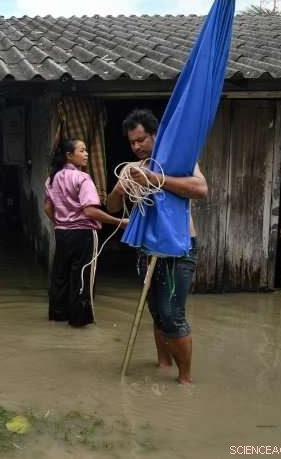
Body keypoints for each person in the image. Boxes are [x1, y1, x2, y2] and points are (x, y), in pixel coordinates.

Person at [106, 109, 208, 384]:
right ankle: (162, 364)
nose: (137, 146)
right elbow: (112, 207)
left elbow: (201, 190)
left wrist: (155, 179)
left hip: (180, 246)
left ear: (156, 135)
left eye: (142, 139)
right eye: (132, 142)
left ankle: (185, 379)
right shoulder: (131, 169)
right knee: (154, 309)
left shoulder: (178, 162)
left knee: (172, 313)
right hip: (148, 248)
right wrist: (120, 190)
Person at [45, 139, 128, 327]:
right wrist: (119, 222)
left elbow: (47, 207)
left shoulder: (52, 178)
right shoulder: (82, 178)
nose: (86, 154)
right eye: (82, 150)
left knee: (61, 275)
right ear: (69, 155)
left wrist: (61, 222)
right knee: (82, 276)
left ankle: (58, 316)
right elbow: (90, 211)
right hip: (84, 234)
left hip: (62, 233)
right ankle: (79, 322)